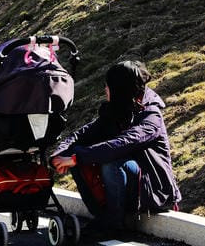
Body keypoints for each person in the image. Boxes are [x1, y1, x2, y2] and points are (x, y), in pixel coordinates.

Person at [51, 61, 181, 236]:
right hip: (134, 183)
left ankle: (112, 224)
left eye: (108, 86)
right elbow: (83, 134)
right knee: (80, 155)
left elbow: (123, 143)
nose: (105, 89)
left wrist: (75, 158)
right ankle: (105, 216)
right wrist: (60, 154)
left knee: (110, 163)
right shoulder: (119, 109)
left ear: (120, 89)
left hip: (155, 188)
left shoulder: (151, 116)